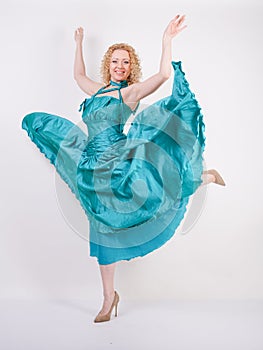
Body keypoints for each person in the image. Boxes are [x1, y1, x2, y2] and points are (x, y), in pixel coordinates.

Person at [22, 14, 225, 323]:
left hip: (118, 162)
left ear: (131, 69)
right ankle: (109, 297)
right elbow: (78, 76)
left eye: (126, 63)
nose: (120, 66)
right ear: (109, 64)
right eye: (116, 61)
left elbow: (161, 77)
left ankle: (200, 178)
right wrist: (77, 43)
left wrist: (166, 40)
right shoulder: (97, 90)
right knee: (100, 227)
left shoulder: (128, 93)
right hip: (91, 166)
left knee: (155, 192)